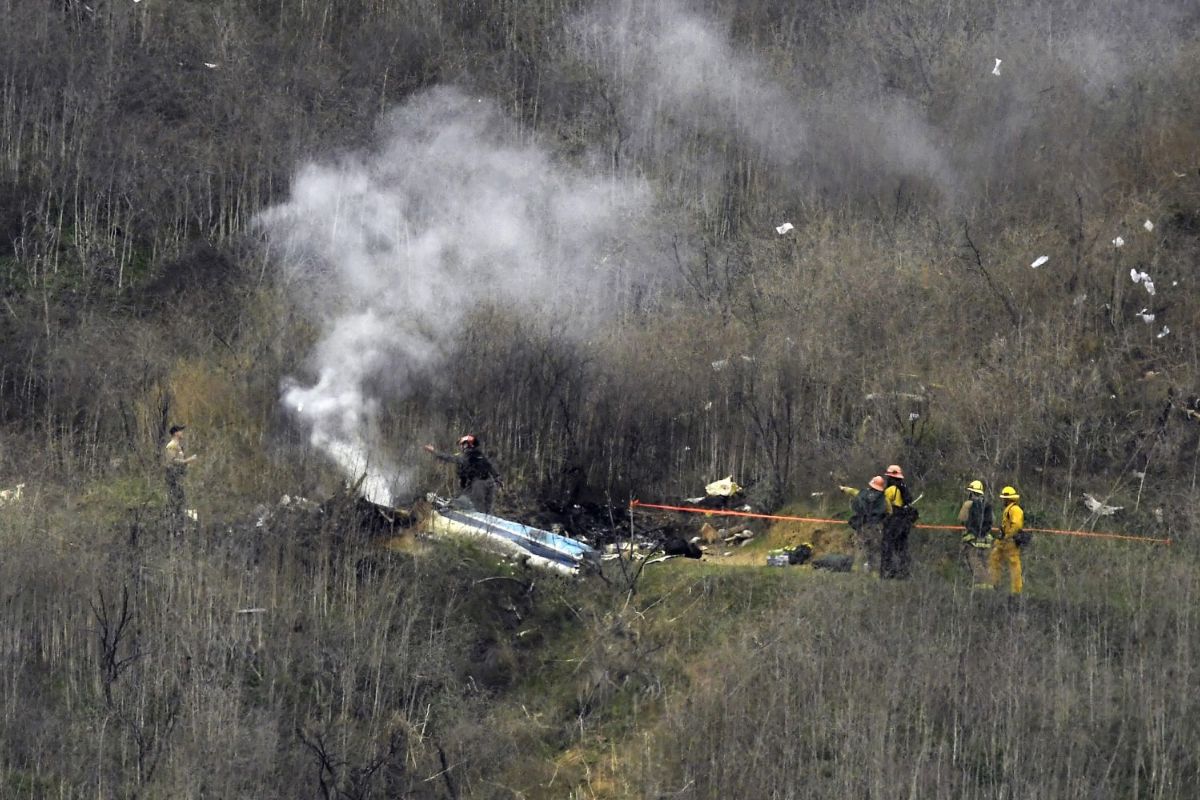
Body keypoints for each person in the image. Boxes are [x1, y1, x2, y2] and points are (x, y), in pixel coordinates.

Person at [423, 434, 502, 512]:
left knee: (478, 508)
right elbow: (490, 467)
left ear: (466, 445)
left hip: (478, 484)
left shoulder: (466, 457)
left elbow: (449, 457)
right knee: (487, 509)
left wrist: (434, 452)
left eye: (462, 445)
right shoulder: (480, 455)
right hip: (489, 482)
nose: (461, 447)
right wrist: (497, 478)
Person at [839, 475, 887, 573]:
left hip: (863, 525)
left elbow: (853, 491)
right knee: (876, 549)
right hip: (876, 527)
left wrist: (844, 489)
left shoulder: (863, 493)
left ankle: (858, 569)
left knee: (861, 547)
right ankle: (876, 570)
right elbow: (889, 511)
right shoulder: (883, 498)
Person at [880, 464, 917, 579]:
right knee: (902, 549)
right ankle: (904, 573)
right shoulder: (904, 488)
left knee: (888, 548)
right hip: (904, 522)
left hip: (893, 522)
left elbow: (884, 505)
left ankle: (887, 572)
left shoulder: (891, 489)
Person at [989, 485, 1027, 595]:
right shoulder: (1009, 509)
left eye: (1004, 499)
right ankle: (995, 583)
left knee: (1014, 565)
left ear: (1008, 499)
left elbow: (1017, 525)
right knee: (994, 559)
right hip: (1004, 541)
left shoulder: (1015, 509)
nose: (1003, 501)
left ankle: (1016, 591)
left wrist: (1008, 536)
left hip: (1010, 541)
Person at [958, 479, 994, 587]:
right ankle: (989, 585)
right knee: (986, 563)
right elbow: (992, 521)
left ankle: (980, 586)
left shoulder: (968, 504)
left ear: (971, 492)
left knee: (975, 563)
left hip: (972, 540)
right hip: (986, 541)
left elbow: (962, 518)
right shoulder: (987, 505)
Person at [164, 424, 197, 526]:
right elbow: (172, 460)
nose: (182, 433)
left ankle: (181, 519)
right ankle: (174, 520)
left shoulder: (177, 446)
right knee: (175, 498)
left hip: (179, 476)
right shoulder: (171, 445)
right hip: (173, 477)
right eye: (180, 431)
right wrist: (188, 460)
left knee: (181, 498)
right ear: (175, 433)